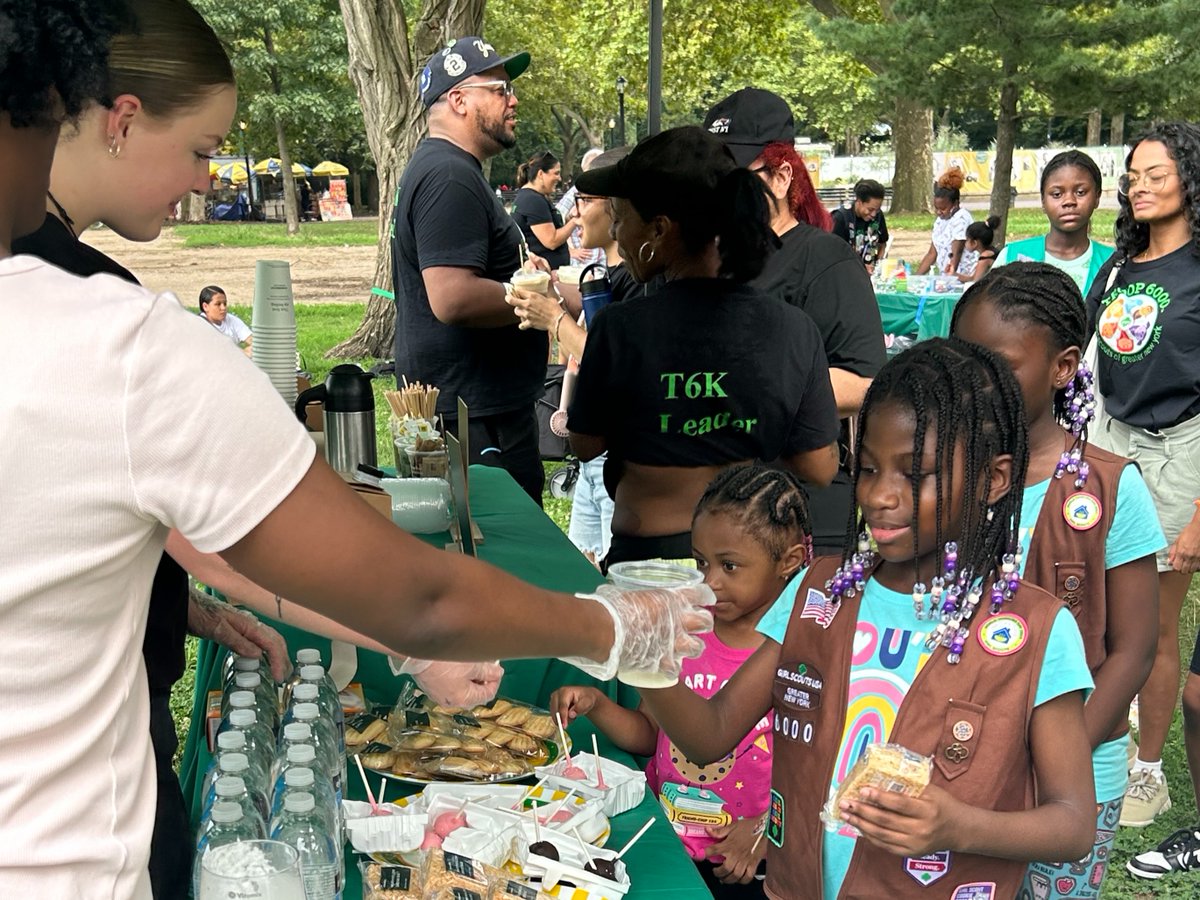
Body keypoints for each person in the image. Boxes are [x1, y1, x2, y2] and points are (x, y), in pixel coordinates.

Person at [0, 8, 713, 896]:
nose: (205, 178)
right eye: (204, 148)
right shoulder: (117, 339)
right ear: (117, 117)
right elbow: (417, 595)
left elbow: (81, 529)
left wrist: (182, 602)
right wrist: (608, 625)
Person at [612, 337, 1098, 900]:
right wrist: (637, 645)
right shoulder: (819, 592)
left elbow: (1072, 822)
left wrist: (957, 824)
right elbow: (709, 735)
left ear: (994, 478)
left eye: (914, 474)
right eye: (867, 468)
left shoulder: (1035, 630)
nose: (880, 496)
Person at [951, 263, 1164, 898]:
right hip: (963, 765)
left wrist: (1053, 761)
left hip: (1073, 779)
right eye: (965, 361)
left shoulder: (1109, 487)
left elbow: (1133, 650)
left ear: (1065, 365)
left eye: (1000, 364)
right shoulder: (944, 474)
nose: (977, 383)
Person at [566, 126, 840, 568]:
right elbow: (821, 466)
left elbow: (584, 443)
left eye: (621, 216)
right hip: (750, 569)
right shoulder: (792, 328)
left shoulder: (620, 329)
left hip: (648, 566)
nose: (617, 229)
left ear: (658, 229)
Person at [551, 465, 812, 898]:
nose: (710, 581)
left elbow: (818, 777)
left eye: (730, 565)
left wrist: (767, 829)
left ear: (789, 561)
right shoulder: (685, 631)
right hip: (667, 845)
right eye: (702, 562)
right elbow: (651, 736)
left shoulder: (800, 654)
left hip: (746, 866)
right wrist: (598, 703)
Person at [703, 87, 886, 556]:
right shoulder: (706, 260)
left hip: (801, 504)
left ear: (782, 176)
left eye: (733, 176)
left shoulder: (823, 258)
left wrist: (751, 386)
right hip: (716, 498)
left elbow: (867, 382)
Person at [1083, 122, 1200, 838]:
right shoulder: (1122, 265)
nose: (1142, 185)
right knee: (1099, 610)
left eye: (1159, 173)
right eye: (1134, 174)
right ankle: (1100, 742)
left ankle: (1148, 774)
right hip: (1109, 448)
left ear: (1190, 178)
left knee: (1154, 629)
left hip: (1177, 453)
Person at [392, 36, 548, 503]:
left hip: (475, 408)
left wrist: (522, 271)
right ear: (459, 99)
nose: (513, 99)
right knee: (506, 562)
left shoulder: (450, 169)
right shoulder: (449, 175)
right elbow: (452, 296)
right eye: (500, 89)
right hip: (472, 418)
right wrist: (541, 301)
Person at [509, 147, 641, 565]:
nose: (576, 213)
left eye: (585, 201)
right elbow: (585, 343)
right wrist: (549, 295)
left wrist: (554, 320)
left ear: (617, 205)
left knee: (613, 587)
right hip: (590, 461)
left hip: (619, 464)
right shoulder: (607, 275)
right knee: (582, 577)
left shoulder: (640, 286)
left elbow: (611, 365)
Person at [992, 150, 1114, 296]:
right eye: (1057, 194)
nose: (1069, 201)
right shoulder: (1014, 255)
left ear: (1097, 197)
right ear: (1043, 201)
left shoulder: (1113, 263)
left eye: (1080, 192)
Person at [512, 149, 577, 269]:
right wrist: (576, 221)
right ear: (541, 174)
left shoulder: (530, 197)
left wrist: (568, 219)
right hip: (546, 273)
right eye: (556, 173)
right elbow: (551, 241)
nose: (559, 179)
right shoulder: (533, 200)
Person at [915, 167, 973, 275]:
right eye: (936, 208)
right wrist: (915, 278)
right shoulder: (940, 221)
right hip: (946, 276)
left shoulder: (961, 218)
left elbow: (957, 251)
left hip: (961, 275)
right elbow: (932, 253)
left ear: (955, 204)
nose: (938, 212)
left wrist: (951, 271)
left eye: (943, 209)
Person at [557, 146, 605, 266]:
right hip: (584, 262)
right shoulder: (576, 192)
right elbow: (557, 219)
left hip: (604, 260)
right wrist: (570, 251)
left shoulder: (607, 190)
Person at [830, 179, 890, 273]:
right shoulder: (840, 218)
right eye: (870, 209)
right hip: (846, 274)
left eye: (877, 210)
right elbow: (833, 255)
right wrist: (859, 269)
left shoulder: (878, 215)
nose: (874, 214)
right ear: (859, 201)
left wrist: (879, 265)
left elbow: (882, 243)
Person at [198, 284, 252, 354]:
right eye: (218, 304)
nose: (223, 308)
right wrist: (244, 353)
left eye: (225, 303)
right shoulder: (199, 326)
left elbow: (253, 340)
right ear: (205, 306)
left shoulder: (231, 320)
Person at [956, 215, 1000, 283]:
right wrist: (953, 274)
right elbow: (973, 277)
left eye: (967, 240)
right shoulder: (990, 252)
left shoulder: (985, 256)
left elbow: (975, 281)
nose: (965, 243)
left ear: (974, 243)